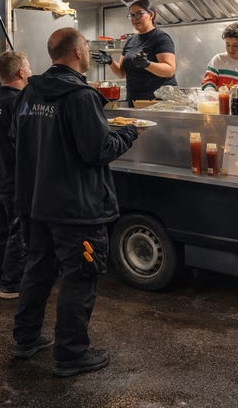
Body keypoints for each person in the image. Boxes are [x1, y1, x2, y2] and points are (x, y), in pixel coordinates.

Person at [12, 27, 140, 376]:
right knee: (79, 277)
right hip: (76, 208)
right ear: (78, 53)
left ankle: (25, 339)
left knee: (38, 270)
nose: (86, 52)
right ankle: (70, 354)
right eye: (85, 46)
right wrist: (130, 132)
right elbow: (97, 150)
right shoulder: (81, 96)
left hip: (36, 201)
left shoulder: (29, 92)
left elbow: (18, 139)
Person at [0, 51, 32, 299]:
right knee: (18, 232)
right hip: (13, 178)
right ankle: (11, 284)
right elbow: (22, 143)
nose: (31, 71)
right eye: (29, 67)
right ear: (21, 72)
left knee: (0, 231)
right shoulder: (18, 102)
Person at [91, 0, 177, 105]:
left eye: (139, 14)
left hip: (158, 101)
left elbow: (169, 70)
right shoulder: (130, 41)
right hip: (134, 100)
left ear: (151, 15)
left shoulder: (161, 38)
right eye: (132, 15)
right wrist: (110, 61)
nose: (134, 18)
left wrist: (147, 64)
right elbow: (122, 73)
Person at [202, 22, 238, 90]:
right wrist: (211, 93)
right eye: (227, 45)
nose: (230, 49)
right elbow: (208, 83)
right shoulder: (218, 60)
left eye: (235, 45)